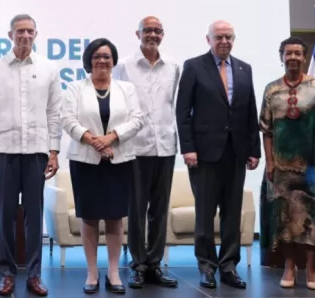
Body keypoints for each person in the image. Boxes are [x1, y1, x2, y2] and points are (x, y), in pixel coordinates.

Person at [0, 14, 63, 297]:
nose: (25, 35)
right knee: (5, 216)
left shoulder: (49, 68)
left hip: (37, 151)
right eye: (19, 31)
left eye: (29, 31)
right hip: (4, 150)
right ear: (10, 34)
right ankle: (7, 273)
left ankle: (34, 274)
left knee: (34, 215)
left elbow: (54, 112)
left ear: (36, 34)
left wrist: (53, 150)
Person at [175, 20, 260, 289]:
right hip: (203, 154)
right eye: (219, 37)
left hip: (236, 153)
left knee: (232, 213)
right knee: (204, 213)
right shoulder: (193, 66)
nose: (224, 41)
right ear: (208, 39)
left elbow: (249, 113)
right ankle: (206, 266)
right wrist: (188, 148)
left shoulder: (244, 68)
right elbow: (183, 111)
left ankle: (228, 266)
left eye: (229, 37)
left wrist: (254, 149)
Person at [61, 38, 143, 295]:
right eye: (97, 56)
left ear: (113, 60)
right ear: (89, 60)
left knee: (115, 218)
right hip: (86, 160)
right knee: (90, 217)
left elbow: (137, 120)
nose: (102, 61)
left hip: (119, 160)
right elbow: (67, 119)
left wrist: (110, 138)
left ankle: (115, 272)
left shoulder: (126, 88)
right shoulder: (76, 87)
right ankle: (92, 272)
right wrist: (94, 141)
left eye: (107, 56)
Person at [259, 37, 315, 290]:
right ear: (281, 56)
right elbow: (267, 131)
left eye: (297, 53)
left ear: (304, 57)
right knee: (286, 218)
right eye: (287, 53)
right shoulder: (271, 90)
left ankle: (312, 269)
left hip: (314, 165)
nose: (292, 57)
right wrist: (269, 162)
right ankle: (290, 266)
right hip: (281, 166)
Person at [112, 16, 180, 289]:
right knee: (137, 210)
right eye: (147, 30)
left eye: (157, 31)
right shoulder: (124, 67)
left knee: (160, 211)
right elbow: (117, 106)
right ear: (137, 33)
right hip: (135, 147)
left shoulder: (174, 67)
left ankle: (155, 264)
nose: (152, 35)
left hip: (165, 145)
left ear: (162, 35)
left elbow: (174, 104)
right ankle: (137, 265)